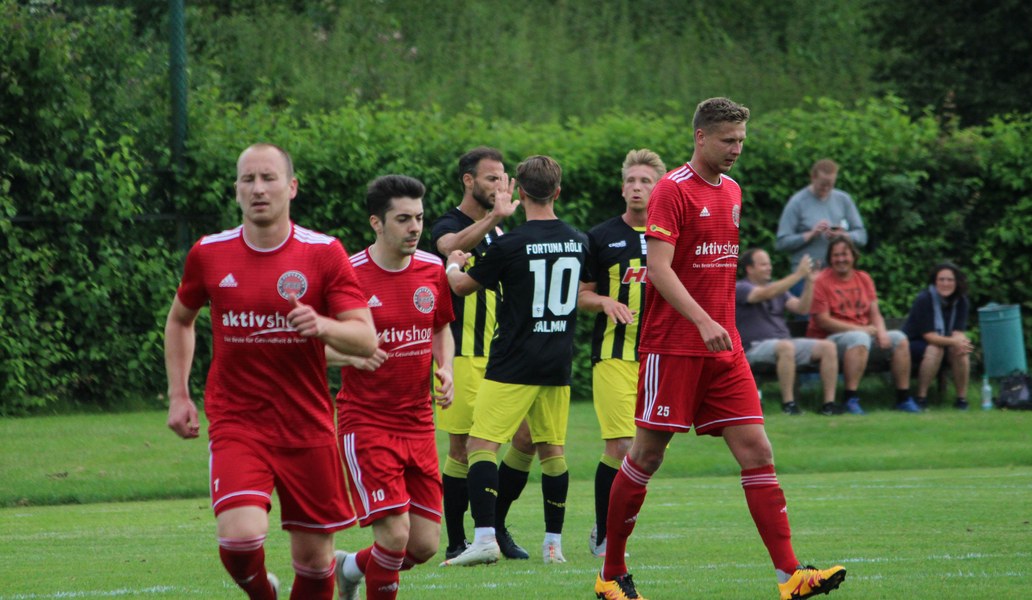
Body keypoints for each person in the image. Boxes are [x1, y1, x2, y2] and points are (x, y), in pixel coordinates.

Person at [592, 98, 846, 600]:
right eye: (728, 140)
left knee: (758, 451)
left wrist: (718, 325)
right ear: (701, 137)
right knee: (646, 455)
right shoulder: (672, 190)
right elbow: (658, 269)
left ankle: (791, 575)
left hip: (724, 350)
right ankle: (610, 574)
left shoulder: (732, 191)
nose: (736, 149)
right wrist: (703, 320)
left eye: (742, 140)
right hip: (673, 347)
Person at [164, 143, 378, 600]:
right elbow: (180, 320)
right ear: (236, 190)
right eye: (248, 179)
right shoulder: (209, 253)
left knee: (315, 563)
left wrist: (322, 325)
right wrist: (179, 395)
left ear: (291, 187)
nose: (258, 189)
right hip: (238, 420)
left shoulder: (324, 253)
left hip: (307, 425)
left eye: (268, 178)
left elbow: (366, 338)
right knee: (239, 540)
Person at [440, 155, 588, 567]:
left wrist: (453, 265)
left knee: (481, 445)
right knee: (553, 452)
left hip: (512, 360)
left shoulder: (510, 243)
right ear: (558, 191)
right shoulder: (579, 241)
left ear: (519, 193)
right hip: (557, 361)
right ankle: (553, 545)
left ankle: (485, 537)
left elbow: (463, 286)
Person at [329, 175, 455, 600]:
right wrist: (351, 356)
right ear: (376, 223)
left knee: (423, 545)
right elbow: (308, 346)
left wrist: (446, 368)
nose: (415, 227)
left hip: (418, 422)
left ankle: (348, 567)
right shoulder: (348, 275)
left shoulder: (432, 269)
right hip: (367, 422)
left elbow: (440, 327)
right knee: (395, 535)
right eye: (403, 219)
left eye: (418, 217)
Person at [430, 147, 536, 561]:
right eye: (492, 178)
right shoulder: (450, 223)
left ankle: (494, 525)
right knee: (462, 449)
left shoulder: (501, 232)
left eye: (503, 177)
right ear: (468, 181)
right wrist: (494, 218)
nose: (500, 185)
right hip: (460, 355)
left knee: (526, 438)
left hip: (500, 356)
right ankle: (459, 540)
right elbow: (449, 247)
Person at [577, 148, 666, 558]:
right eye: (631, 180)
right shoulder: (600, 237)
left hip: (658, 358)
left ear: (658, 188)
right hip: (613, 355)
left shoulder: (672, 235)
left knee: (648, 454)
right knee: (621, 446)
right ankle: (605, 534)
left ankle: (612, 526)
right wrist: (605, 302)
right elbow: (581, 296)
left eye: (645, 181)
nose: (636, 187)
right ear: (621, 188)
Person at [806, 235, 921, 414]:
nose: (841, 259)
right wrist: (861, 329)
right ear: (830, 258)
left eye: (845, 254)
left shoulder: (864, 278)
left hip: (863, 337)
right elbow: (823, 320)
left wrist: (881, 332)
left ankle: (903, 398)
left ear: (854, 256)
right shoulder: (822, 281)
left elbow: (874, 312)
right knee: (858, 338)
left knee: (899, 339)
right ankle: (850, 398)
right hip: (828, 341)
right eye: (836, 255)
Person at [736, 248, 841, 415]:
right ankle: (789, 405)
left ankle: (829, 405)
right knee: (786, 347)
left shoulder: (778, 290)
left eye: (769, 264)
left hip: (784, 345)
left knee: (828, 347)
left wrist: (810, 282)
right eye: (763, 264)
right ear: (750, 269)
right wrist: (798, 274)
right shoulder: (741, 288)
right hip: (754, 348)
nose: (769, 267)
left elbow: (801, 308)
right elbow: (763, 294)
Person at [775, 159, 867, 276]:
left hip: (837, 273)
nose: (827, 188)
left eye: (831, 184)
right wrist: (811, 234)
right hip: (807, 274)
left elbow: (862, 236)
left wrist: (843, 235)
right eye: (823, 184)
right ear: (813, 177)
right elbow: (781, 243)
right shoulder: (797, 202)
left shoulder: (843, 199)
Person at [901, 262, 973, 409]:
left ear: (957, 282)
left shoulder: (962, 301)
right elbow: (929, 336)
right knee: (935, 349)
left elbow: (958, 333)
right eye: (941, 279)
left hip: (943, 341)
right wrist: (955, 341)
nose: (945, 283)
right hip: (913, 344)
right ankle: (921, 397)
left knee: (961, 350)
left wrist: (961, 342)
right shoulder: (924, 299)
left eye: (950, 280)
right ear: (935, 282)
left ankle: (961, 399)